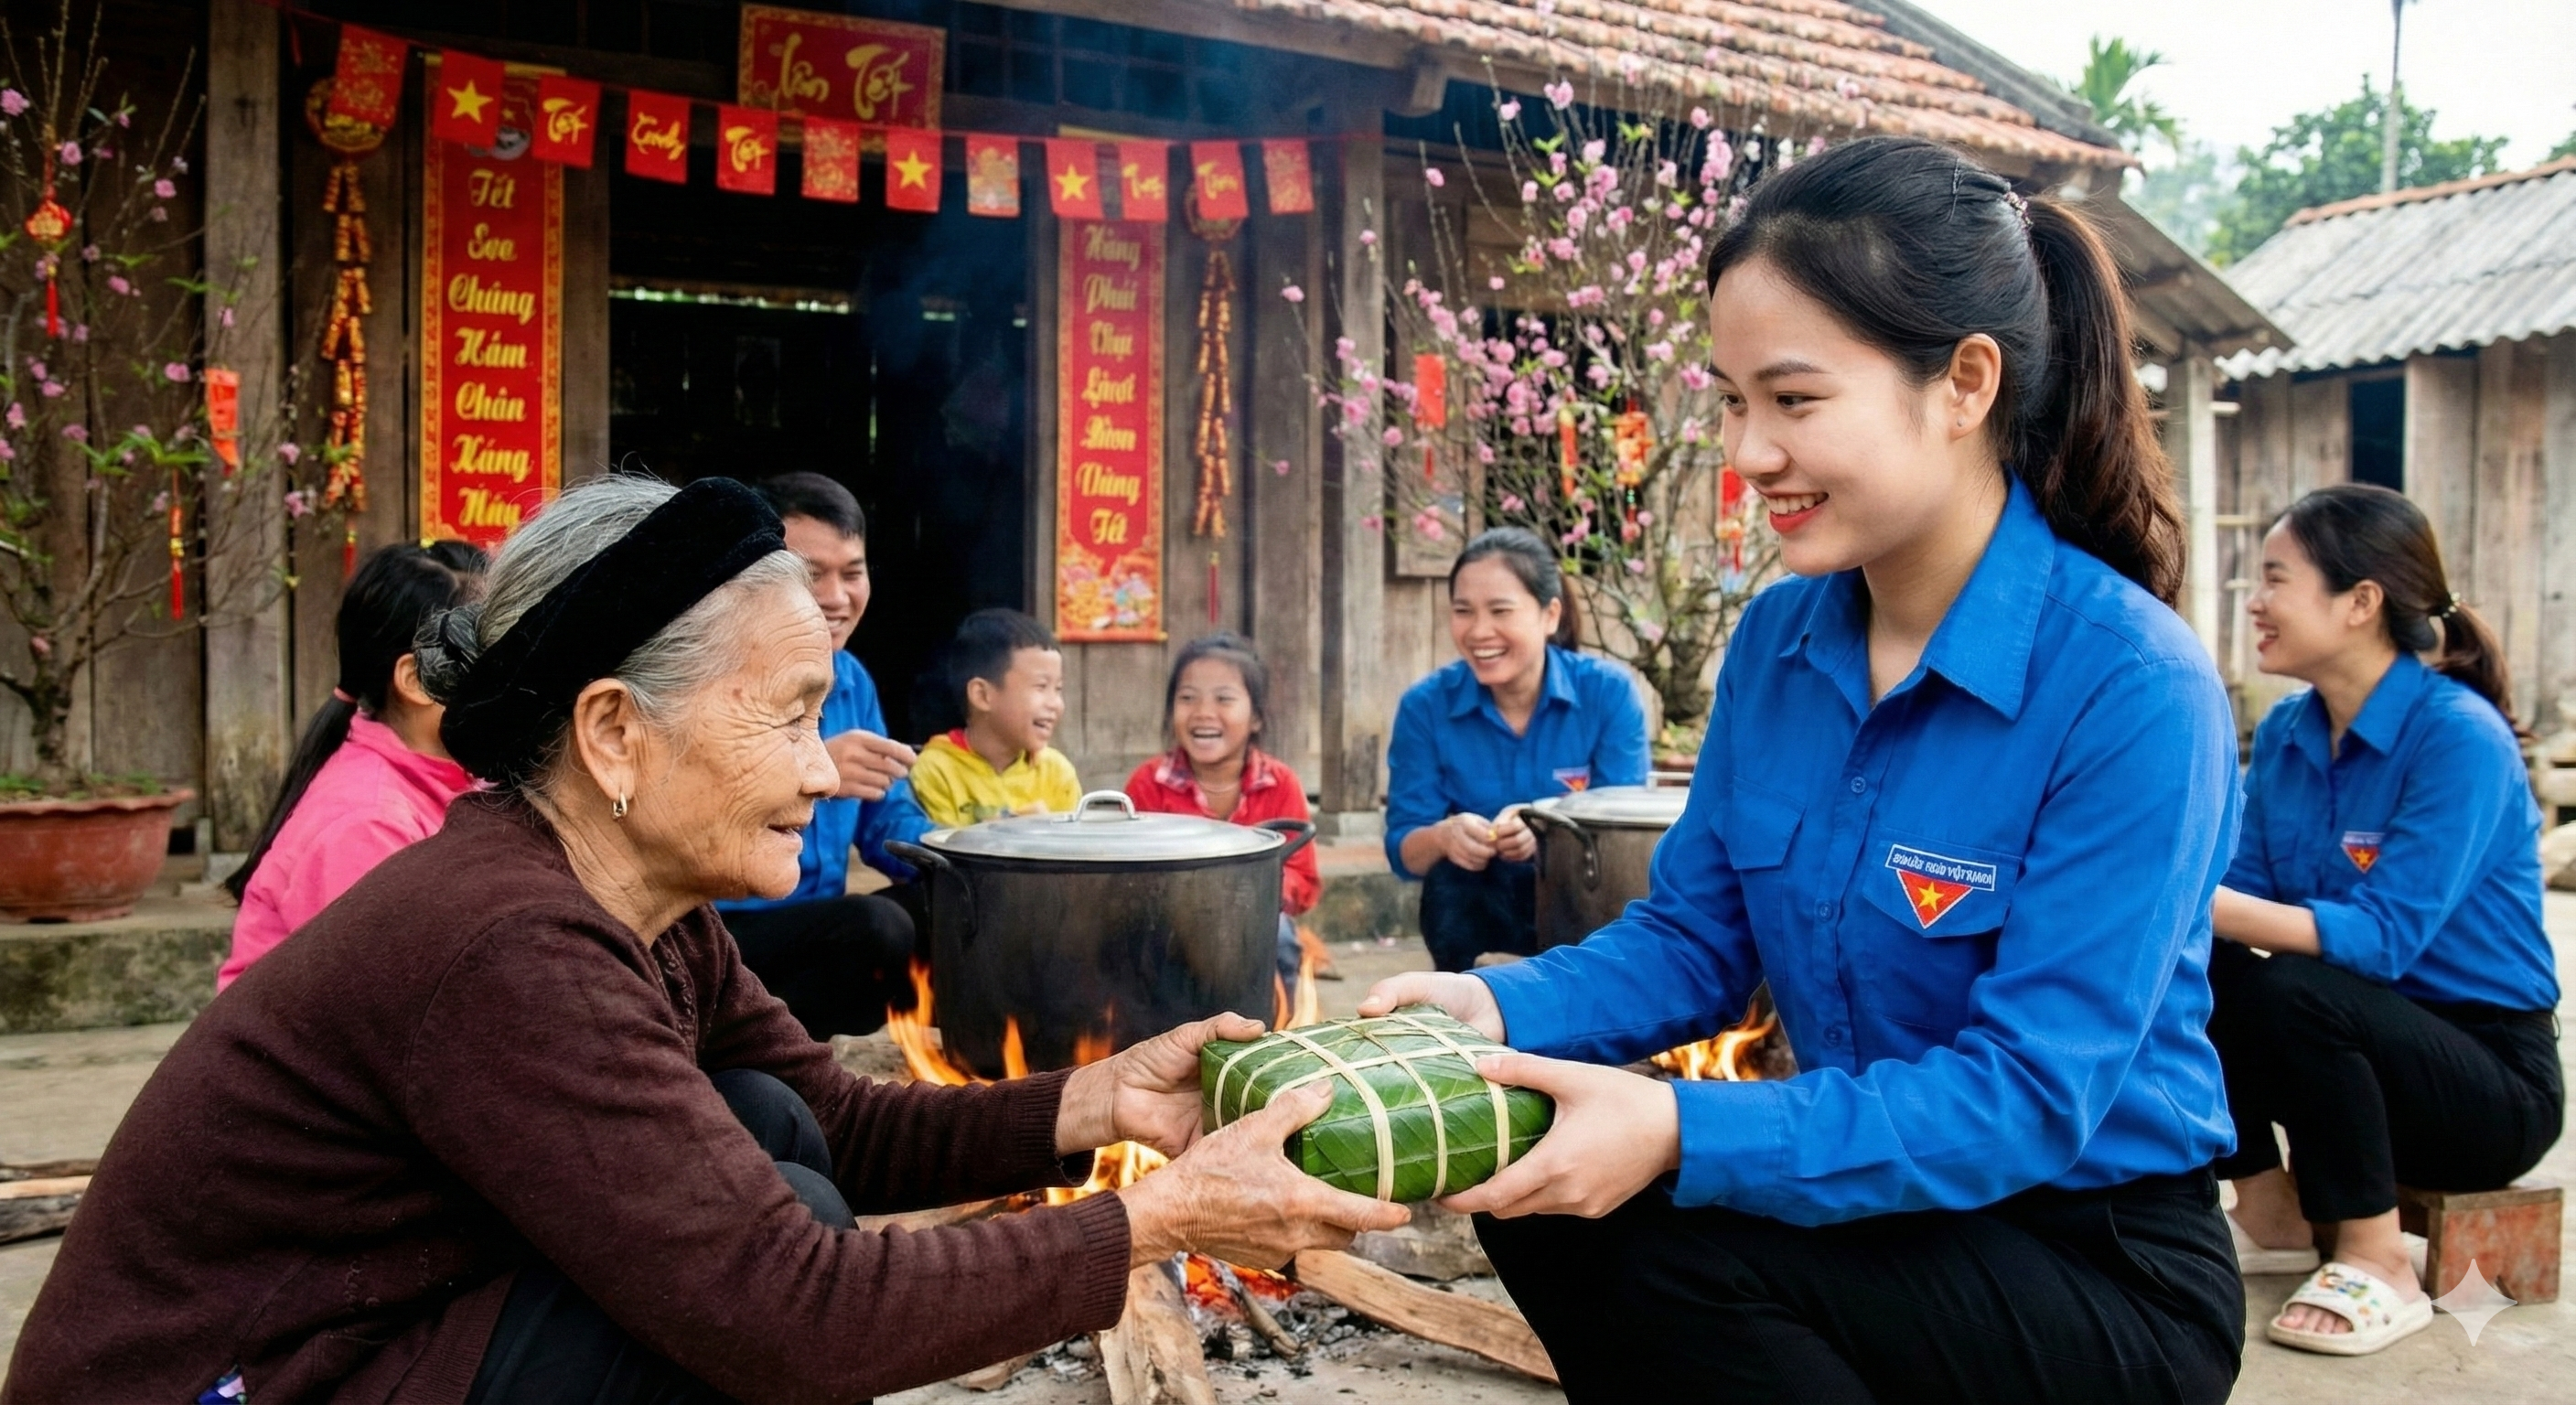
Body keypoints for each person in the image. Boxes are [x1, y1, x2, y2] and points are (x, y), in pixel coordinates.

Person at [0, 476, 1405, 1405]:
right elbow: (793, 1316)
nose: (820, 767)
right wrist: (1156, 1218)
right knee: (765, 1250)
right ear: (615, 733)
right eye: (789, 716)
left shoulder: (641, 906)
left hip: (369, 1334)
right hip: (227, 1387)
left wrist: (1105, 1101)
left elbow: (844, 1121)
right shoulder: (507, 944)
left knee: (766, 1127)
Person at [1361, 135, 2248, 1403]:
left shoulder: (2130, 687)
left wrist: (1677, 1127)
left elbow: (2030, 1093)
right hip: (1888, 1212)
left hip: (2094, 1265)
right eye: (1730, 401)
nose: (1746, 453)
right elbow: (1696, 941)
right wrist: (1494, 1012)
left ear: (1965, 384)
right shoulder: (1782, 640)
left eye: (1794, 399)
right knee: (1533, 1167)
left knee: (1675, 1241)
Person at [2208, 483, 2561, 1357]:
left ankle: (2377, 1257)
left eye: (2276, 578)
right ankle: (2270, 1201)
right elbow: (2239, 893)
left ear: (2361, 602)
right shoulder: (2290, 732)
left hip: (2485, 1082)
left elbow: (2382, 938)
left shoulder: (2458, 739)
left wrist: (2183, 892)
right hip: (2356, 1056)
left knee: (2294, 987)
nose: (2255, 601)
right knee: (2193, 960)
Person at [714, 472, 932, 1039]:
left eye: (852, 574)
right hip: (716, 929)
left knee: (952, 899)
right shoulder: (713, 674)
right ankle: (753, 1047)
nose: (837, 598)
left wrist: (965, 857)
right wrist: (804, 767)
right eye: (811, 576)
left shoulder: (853, 679)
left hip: (812, 925)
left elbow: (890, 819)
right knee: (874, 927)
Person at [219, 542, 486, 989]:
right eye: (492, 656)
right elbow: (397, 1005)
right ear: (418, 681)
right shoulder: (367, 825)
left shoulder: (459, 778)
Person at [1384, 527, 1649, 971]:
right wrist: (1445, 836)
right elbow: (1404, 850)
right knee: (1451, 879)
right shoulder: (1425, 706)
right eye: (1463, 611)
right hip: (1471, 920)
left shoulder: (1608, 694)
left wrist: (1550, 838)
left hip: (1581, 916)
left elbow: (1620, 839)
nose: (1479, 631)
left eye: (1500, 611)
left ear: (1550, 615)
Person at [1125, 632, 1323, 995]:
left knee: (1279, 937)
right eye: (1187, 698)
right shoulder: (1149, 784)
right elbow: (1122, 874)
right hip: (1165, 929)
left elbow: (1303, 877)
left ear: (1256, 718)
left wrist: (1252, 892)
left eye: (1224, 699)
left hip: (1252, 927)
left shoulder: (1279, 784)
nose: (1203, 712)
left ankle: (1274, 1040)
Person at [909, 607, 1082, 826]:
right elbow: (941, 855)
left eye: (1058, 689)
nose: (1055, 704)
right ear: (982, 695)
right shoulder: (937, 769)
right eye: (1041, 687)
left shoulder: (1056, 772)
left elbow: (1072, 853)